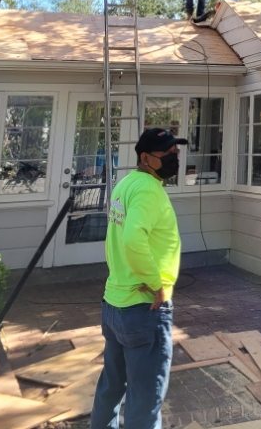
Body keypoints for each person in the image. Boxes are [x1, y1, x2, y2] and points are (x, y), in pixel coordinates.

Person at [90, 128, 187, 429]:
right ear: (145, 158)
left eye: (176, 153)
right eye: (166, 154)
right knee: (145, 400)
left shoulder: (127, 184)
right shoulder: (147, 190)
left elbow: (115, 237)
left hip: (115, 303)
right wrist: (157, 284)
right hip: (144, 308)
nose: (174, 158)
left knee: (111, 387)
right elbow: (132, 239)